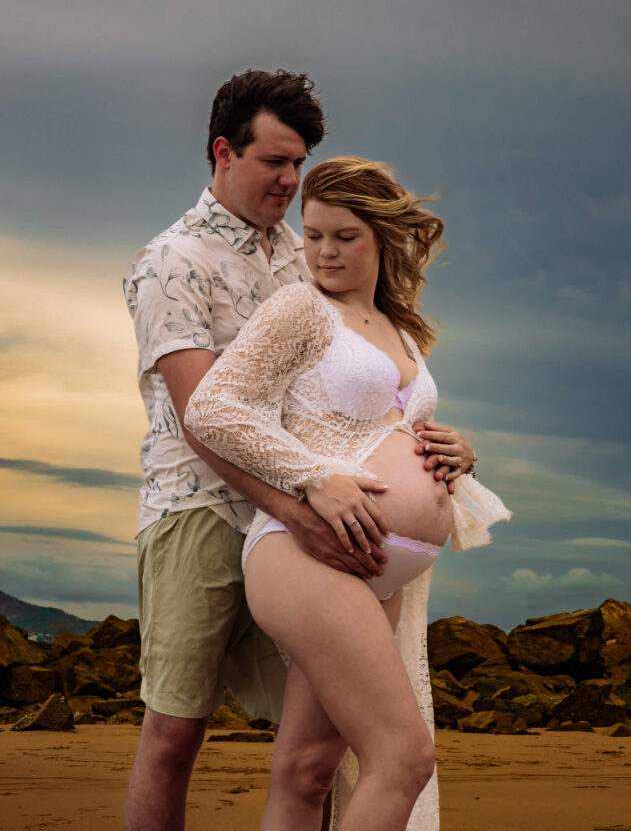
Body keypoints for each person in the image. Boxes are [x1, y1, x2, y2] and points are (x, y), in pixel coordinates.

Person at [122, 71, 476, 831]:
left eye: (299, 161)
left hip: (328, 535)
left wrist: (444, 452)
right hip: (203, 510)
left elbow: (349, 395)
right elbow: (200, 415)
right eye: (275, 161)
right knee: (176, 729)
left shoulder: (300, 252)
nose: (291, 179)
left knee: (313, 760)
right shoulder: (172, 262)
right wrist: (300, 500)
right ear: (223, 151)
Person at [185, 157, 512, 831]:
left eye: (344, 237)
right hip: (307, 555)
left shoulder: (401, 329)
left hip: (379, 573)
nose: (324, 252)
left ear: (382, 238)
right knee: (402, 755)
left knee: (306, 772)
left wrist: (459, 455)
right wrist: (312, 477)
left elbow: (393, 432)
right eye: (313, 235)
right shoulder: (300, 307)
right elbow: (212, 408)